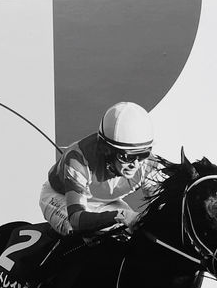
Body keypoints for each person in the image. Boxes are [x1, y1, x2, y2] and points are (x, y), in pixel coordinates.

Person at [40, 101, 162, 237]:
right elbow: (76, 219)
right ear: (107, 150)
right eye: (127, 157)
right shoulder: (78, 160)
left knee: (137, 233)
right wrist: (122, 215)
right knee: (84, 235)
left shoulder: (148, 164)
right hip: (61, 199)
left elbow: (162, 208)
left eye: (142, 154)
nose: (136, 164)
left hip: (108, 203)